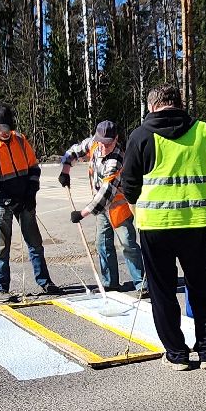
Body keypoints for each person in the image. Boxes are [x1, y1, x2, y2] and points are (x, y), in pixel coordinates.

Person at [119, 86, 206, 371]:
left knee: (163, 291)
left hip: (155, 227)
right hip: (196, 223)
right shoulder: (204, 132)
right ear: (180, 104)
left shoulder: (141, 136)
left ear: (152, 106)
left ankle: (177, 354)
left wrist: (141, 208)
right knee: (201, 287)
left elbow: (128, 185)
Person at [0, 105, 60, 302]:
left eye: (9, 129)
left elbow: (33, 168)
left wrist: (31, 193)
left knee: (35, 243)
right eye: (3, 129)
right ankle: (0, 288)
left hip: (25, 201)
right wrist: (10, 202)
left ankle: (44, 281)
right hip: (2, 205)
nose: (6, 133)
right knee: (1, 248)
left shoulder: (20, 140)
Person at [61, 120, 144, 295]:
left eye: (109, 143)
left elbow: (106, 192)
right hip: (101, 210)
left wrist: (82, 213)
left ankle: (141, 284)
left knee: (128, 245)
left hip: (118, 209)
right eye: (101, 142)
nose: (104, 147)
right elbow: (73, 152)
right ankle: (110, 283)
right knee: (103, 244)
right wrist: (65, 170)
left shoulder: (118, 158)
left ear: (116, 139)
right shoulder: (94, 144)